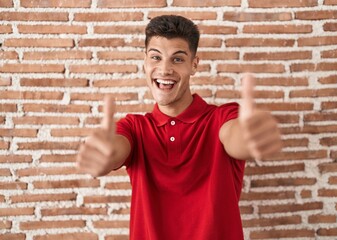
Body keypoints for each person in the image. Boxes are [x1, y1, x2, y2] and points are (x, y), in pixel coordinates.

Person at [77, 15, 282, 240]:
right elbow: (116, 149)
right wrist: (104, 156)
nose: (164, 70)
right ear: (144, 61)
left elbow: (236, 138)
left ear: (194, 65)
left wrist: (250, 138)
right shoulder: (134, 127)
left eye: (177, 59)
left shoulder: (222, 117)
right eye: (156, 57)